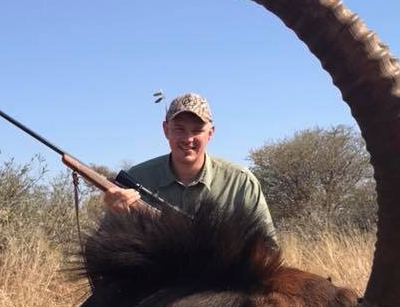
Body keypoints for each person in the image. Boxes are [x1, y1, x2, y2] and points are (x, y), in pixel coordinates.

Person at [103, 92, 276, 238]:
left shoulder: (241, 183)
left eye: (197, 130)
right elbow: (101, 251)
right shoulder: (137, 178)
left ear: (210, 133)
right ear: (165, 130)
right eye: (179, 129)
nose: (188, 139)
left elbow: (269, 250)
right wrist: (116, 216)